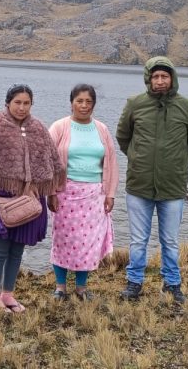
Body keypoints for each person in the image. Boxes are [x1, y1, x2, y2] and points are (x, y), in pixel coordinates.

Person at [0, 84, 65, 314]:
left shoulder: (38, 128)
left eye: (26, 103)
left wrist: (50, 192)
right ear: (8, 103)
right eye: (17, 102)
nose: (22, 107)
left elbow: (52, 162)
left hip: (30, 199)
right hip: (1, 198)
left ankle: (8, 295)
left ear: (31, 104)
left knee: (17, 251)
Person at [116, 56, 188, 304]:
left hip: (173, 187)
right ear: (148, 78)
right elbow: (123, 137)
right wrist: (138, 159)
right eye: (155, 76)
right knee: (138, 240)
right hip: (139, 185)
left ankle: (172, 284)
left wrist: (178, 163)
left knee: (170, 240)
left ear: (172, 78)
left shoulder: (187, 106)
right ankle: (134, 283)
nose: (159, 81)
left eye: (164, 76)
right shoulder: (135, 104)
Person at [47, 84, 117, 301]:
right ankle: (60, 287)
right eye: (79, 101)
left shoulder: (102, 129)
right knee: (63, 239)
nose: (84, 105)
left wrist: (110, 193)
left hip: (94, 195)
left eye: (88, 101)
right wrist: (50, 192)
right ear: (71, 103)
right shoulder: (59, 127)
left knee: (87, 242)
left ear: (94, 104)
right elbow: (46, 160)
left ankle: (81, 287)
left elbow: (112, 163)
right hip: (65, 193)